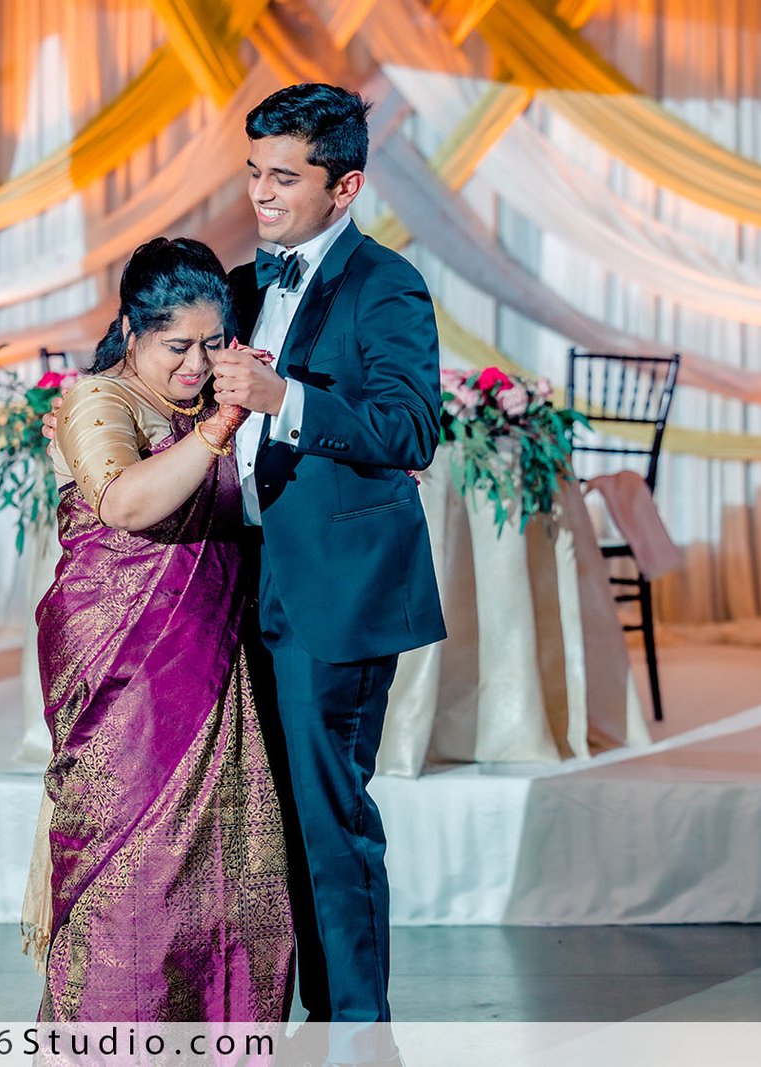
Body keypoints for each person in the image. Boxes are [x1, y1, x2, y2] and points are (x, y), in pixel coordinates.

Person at [209, 84, 446, 1066]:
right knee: (272, 816)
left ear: (344, 186)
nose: (259, 193)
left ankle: (355, 1027)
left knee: (328, 812)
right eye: (253, 172)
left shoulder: (385, 284)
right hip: (238, 579)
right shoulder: (238, 282)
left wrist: (287, 397)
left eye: (283, 176)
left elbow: (411, 427)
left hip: (334, 589)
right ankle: (306, 1014)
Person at [34, 237, 294, 1022]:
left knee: (231, 875)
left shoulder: (206, 405)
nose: (196, 362)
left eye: (213, 343)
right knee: (132, 878)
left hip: (212, 664)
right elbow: (123, 503)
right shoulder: (100, 399)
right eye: (177, 345)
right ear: (131, 330)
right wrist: (218, 429)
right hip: (126, 680)